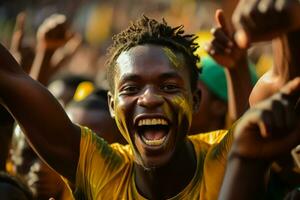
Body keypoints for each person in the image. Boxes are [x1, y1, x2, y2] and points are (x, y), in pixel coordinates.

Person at [0, 15, 232, 199]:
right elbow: (9, 79)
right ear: (112, 105)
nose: (149, 99)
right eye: (131, 89)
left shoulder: (227, 157)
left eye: (169, 86)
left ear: (195, 100)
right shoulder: (97, 170)